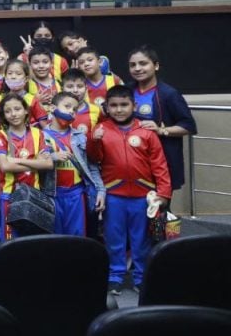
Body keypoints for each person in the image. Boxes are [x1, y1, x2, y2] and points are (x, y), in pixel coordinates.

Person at [88, 85, 172, 294]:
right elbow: (94, 159)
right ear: (106, 107)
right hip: (114, 195)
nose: (119, 109)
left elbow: (160, 165)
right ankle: (115, 276)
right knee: (113, 237)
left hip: (143, 196)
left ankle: (141, 277)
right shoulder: (101, 130)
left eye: (124, 105)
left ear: (134, 105)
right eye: (113, 105)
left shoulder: (146, 132)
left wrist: (163, 194)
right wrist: (93, 141)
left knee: (141, 239)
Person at [127, 46, 197, 191]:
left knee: (160, 207)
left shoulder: (169, 94)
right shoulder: (126, 90)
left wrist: (161, 130)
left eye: (143, 63)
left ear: (156, 65)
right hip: (132, 159)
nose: (137, 68)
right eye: (133, 65)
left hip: (162, 158)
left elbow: (189, 125)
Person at [41, 92, 104, 236]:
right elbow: (33, 164)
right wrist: (52, 157)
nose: (71, 111)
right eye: (67, 106)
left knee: (77, 237)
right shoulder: (39, 136)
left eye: (74, 109)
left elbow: (92, 167)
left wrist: (101, 191)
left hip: (76, 195)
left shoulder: (80, 137)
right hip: (51, 195)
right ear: (52, 108)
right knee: (54, 238)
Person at [0, 93, 54, 240]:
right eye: (8, 111)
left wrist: (15, 160)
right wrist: (35, 162)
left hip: (34, 196)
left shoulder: (38, 133)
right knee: (9, 241)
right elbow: (5, 167)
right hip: (9, 195)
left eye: (17, 109)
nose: (13, 114)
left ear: (26, 110)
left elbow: (48, 164)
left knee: (33, 240)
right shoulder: (1, 135)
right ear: (4, 115)